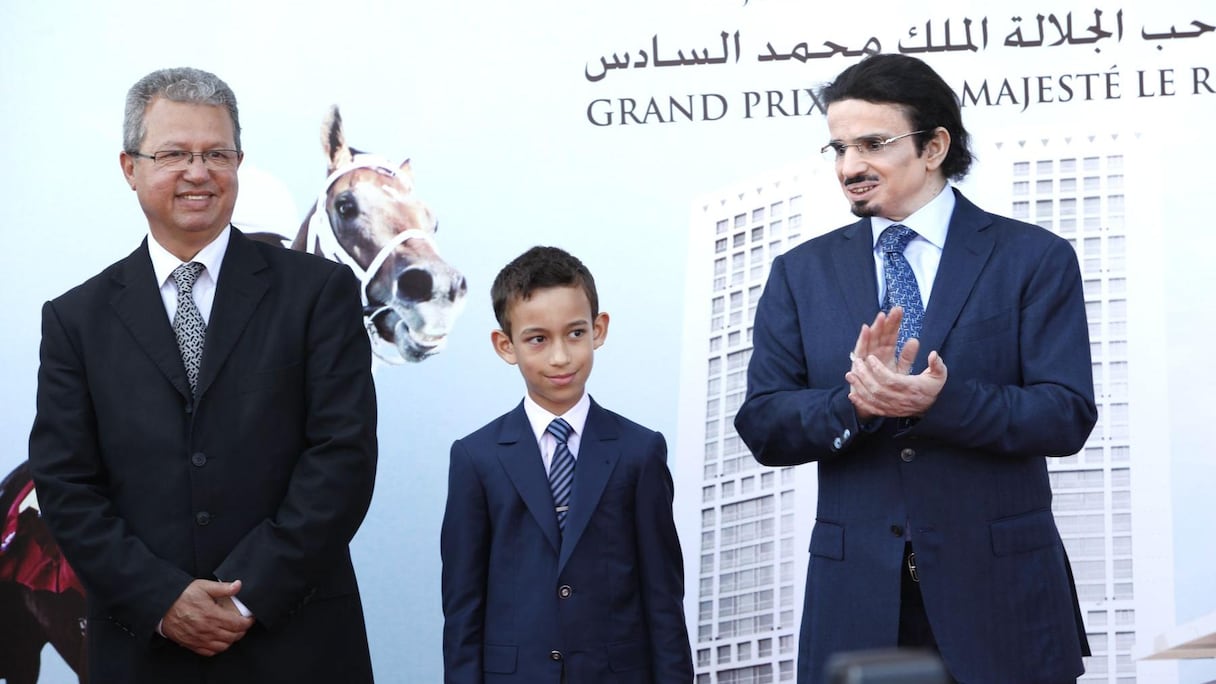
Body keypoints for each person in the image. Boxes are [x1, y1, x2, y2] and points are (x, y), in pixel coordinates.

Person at [734, 54, 1095, 684]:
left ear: (934, 147)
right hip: (858, 606)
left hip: (1001, 600)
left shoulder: (1033, 258)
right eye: (839, 148)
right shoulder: (800, 274)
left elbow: (1065, 415)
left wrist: (940, 401)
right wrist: (855, 403)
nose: (849, 167)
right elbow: (764, 424)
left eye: (872, 144)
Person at [27, 67, 378, 683]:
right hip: (143, 649)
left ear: (239, 162)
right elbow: (66, 485)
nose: (198, 172)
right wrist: (162, 599)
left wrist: (246, 594)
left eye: (217, 153)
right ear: (129, 167)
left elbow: (341, 456)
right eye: (173, 154)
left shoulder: (318, 293)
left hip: (297, 642)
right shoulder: (76, 320)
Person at [441, 246, 693, 683]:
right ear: (505, 345)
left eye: (575, 333)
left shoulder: (640, 451)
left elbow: (663, 597)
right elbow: (463, 605)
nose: (560, 357)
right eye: (538, 339)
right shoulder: (475, 458)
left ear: (599, 329)